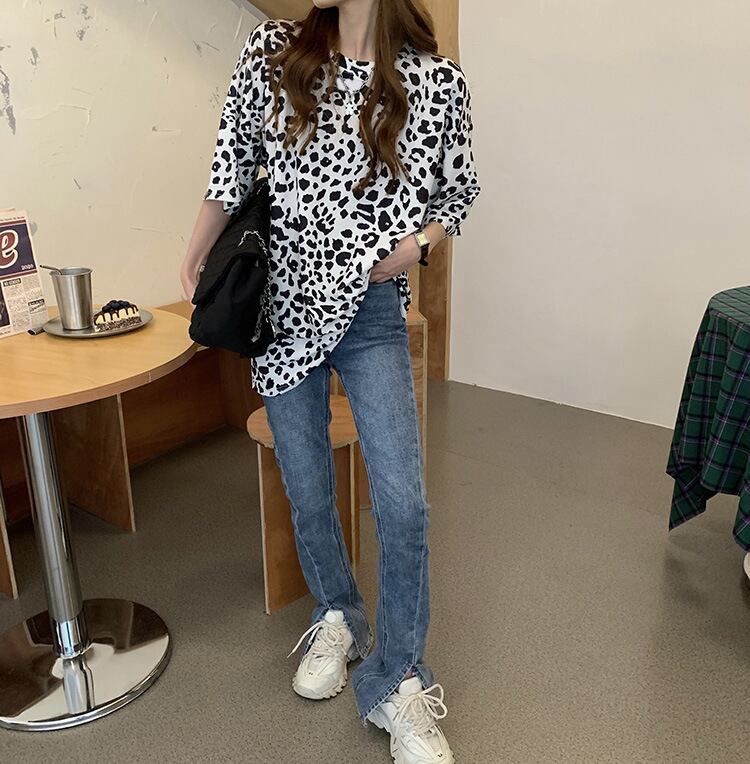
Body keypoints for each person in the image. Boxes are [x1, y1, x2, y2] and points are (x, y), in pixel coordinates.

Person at [180, 2, 480, 762]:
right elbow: (230, 163)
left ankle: (398, 679)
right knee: (307, 487)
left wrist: (415, 247)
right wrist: (197, 253)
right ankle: (339, 612)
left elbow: (459, 192)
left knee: (402, 503)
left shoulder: (436, 81)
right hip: (281, 305)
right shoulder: (274, 52)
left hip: (371, 310)